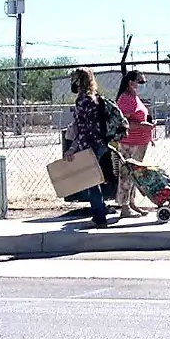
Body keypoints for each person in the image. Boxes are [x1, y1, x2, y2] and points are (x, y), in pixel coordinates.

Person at [64, 67, 112, 227]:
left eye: (74, 79)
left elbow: (83, 127)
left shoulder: (83, 100)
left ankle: (99, 218)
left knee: (89, 182)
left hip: (89, 144)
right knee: (91, 180)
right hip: (100, 142)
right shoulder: (95, 97)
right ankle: (101, 210)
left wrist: (72, 148)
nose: (72, 82)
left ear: (80, 80)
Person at [115, 70, 154, 217]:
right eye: (141, 81)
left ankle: (131, 203)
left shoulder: (135, 98)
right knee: (126, 175)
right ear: (131, 83)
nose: (143, 84)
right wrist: (144, 127)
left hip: (139, 142)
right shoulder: (125, 99)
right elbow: (125, 123)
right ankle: (125, 207)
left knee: (135, 175)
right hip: (129, 143)